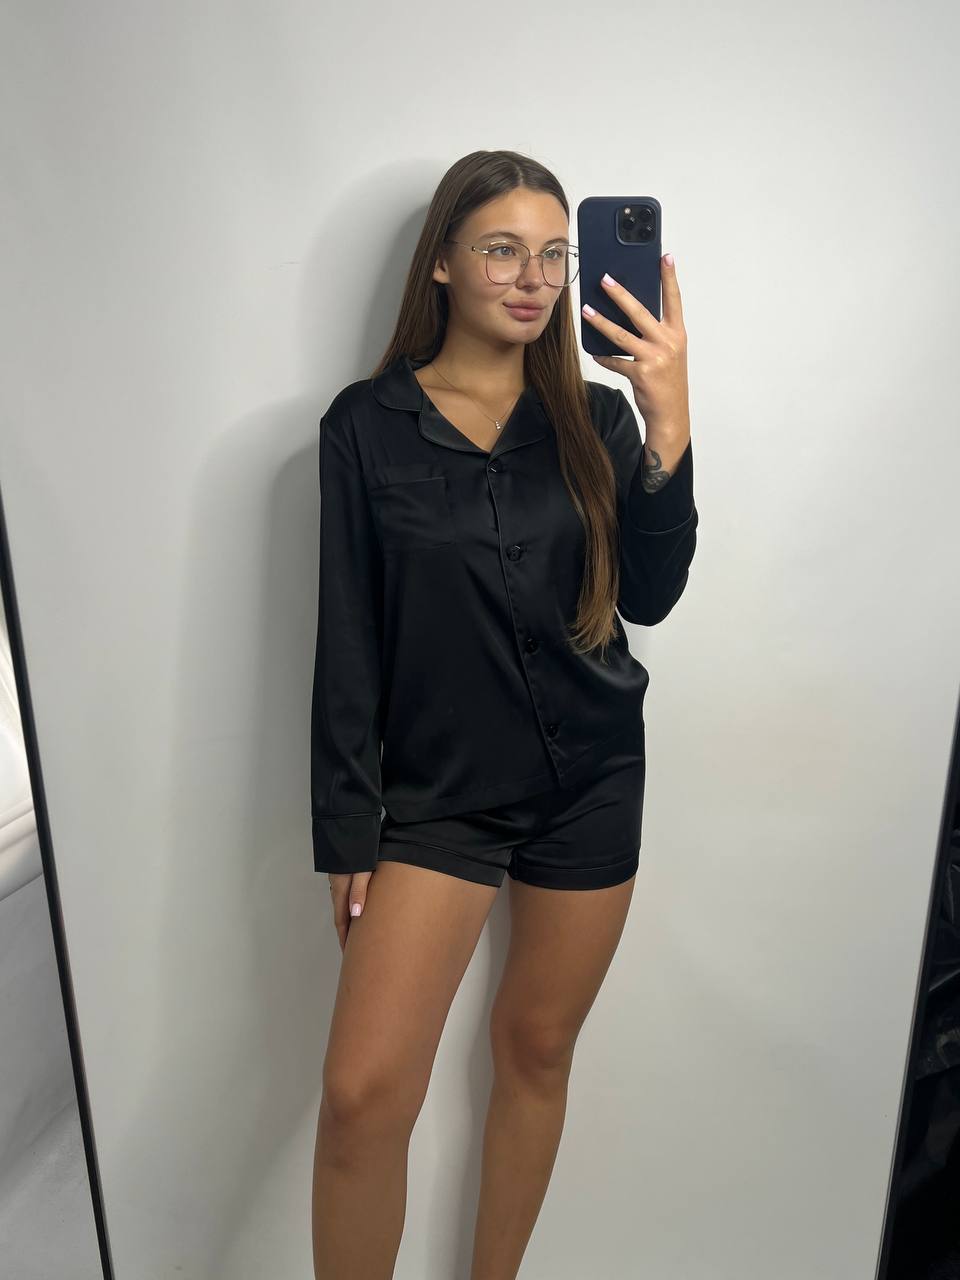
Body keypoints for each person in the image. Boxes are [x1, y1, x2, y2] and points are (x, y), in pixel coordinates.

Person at [310, 149, 698, 1280]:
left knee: (535, 1048)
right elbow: (348, 633)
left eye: (553, 255)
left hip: (592, 782)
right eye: (501, 249)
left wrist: (669, 425)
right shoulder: (366, 426)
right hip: (440, 794)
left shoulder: (595, 421)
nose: (534, 278)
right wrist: (348, 825)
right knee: (361, 1095)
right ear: (442, 262)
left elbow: (650, 597)